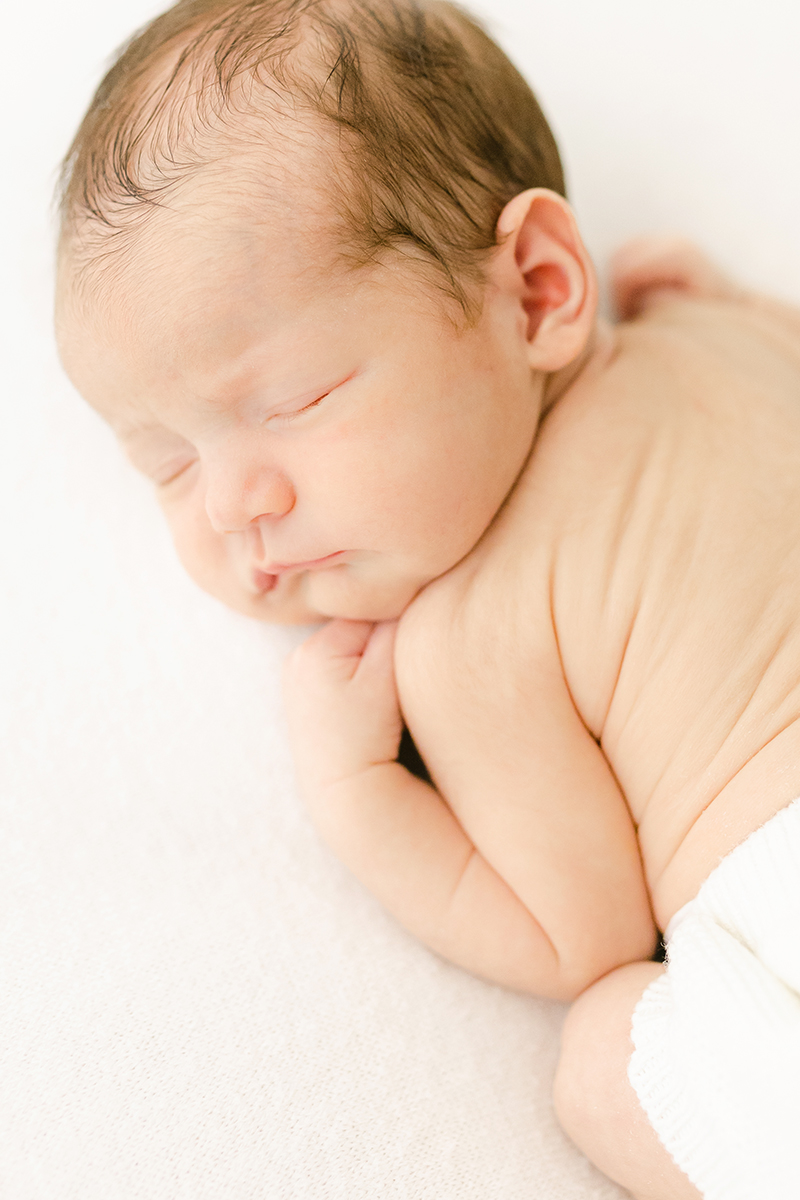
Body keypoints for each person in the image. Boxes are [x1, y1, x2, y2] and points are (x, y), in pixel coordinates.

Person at [55, 2, 800, 1196]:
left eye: (290, 401)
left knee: (606, 1051)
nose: (233, 502)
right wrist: (710, 299)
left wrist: (358, 796)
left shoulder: (470, 637)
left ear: (537, 292)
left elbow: (581, 933)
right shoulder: (717, 337)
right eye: (170, 465)